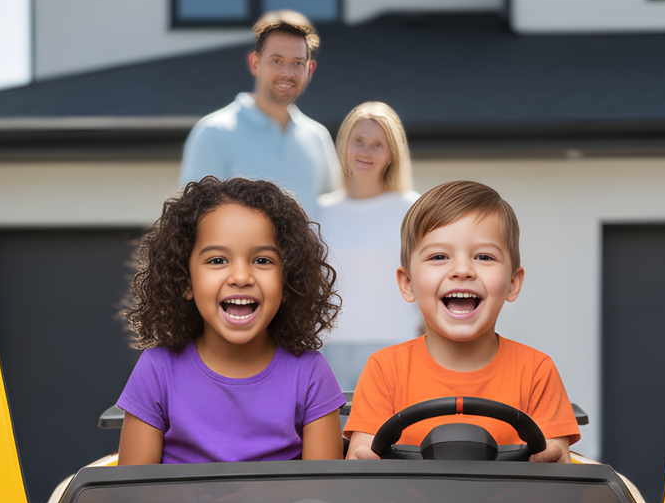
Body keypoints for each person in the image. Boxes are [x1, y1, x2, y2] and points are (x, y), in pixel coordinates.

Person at [344, 180, 580, 462]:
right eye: (439, 256)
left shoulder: (536, 372)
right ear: (407, 283)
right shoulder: (384, 370)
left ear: (512, 284)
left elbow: (557, 464)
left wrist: (551, 454)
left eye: (483, 256)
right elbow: (360, 461)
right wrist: (365, 456)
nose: (462, 270)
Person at [117, 175, 345, 465]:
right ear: (185, 281)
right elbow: (136, 502)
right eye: (217, 260)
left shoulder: (311, 374)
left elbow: (321, 500)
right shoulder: (156, 371)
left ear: (288, 282)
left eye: (262, 260)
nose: (240, 277)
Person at [179, 11, 340, 218]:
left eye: (298, 63)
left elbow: (331, 220)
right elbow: (193, 223)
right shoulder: (214, 132)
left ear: (309, 70)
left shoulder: (318, 137)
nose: (288, 73)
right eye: (277, 61)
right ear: (255, 63)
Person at [316, 102, 421, 390]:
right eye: (358, 141)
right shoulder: (318, 211)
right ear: (344, 146)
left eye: (377, 145)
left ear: (391, 155)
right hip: (327, 351)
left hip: (395, 348)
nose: (365, 152)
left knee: (393, 437)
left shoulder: (413, 209)